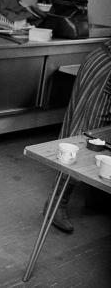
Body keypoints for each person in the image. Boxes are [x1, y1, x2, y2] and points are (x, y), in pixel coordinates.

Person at [44, 38, 111, 233]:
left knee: (101, 135)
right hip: (106, 68)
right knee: (86, 137)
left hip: (102, 62)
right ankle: (56, 204)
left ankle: (98, 196)